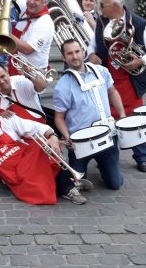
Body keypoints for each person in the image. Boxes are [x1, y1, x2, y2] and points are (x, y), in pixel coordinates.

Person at [0, 98, 88, 205]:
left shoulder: (5, 120)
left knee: (43, 146)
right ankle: (68, 184)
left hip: (25, 159)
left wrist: (52, 136)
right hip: (11, 173)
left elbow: (35, 127)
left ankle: (69, 189)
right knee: (39, 187)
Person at [87, 0, 146, 172]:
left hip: (129, 81)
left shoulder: (137, 23)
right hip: (109, 81)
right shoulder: (101, 21)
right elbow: (92, 44)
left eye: (102, 6)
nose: (100, 9)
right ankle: (107, 156)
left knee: (135, 118)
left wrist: (141, 60)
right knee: (107, 119)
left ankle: (142, 157)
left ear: (115, 7)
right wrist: (90, 55)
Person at [54, 39, 126, 189]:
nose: (74, 56)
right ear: (63, 58)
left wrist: (122, 115)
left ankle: (107, 168)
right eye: (69, 53)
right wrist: (67, 138)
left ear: (83, 51)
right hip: (81, 142)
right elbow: (59, 117)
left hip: (107, 135)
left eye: (77, 51)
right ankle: (90, 167)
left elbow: (112, 91)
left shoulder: (102, 71)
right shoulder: (62, 85)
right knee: (77, 184)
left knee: (115, 184)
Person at [8, 0, 55, 77]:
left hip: (32, 75)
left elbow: (27, 49)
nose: (31, 2)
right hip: (17, 68)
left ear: (44, 2)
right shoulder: (27, 6)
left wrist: (6, 34)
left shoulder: (45, 22)